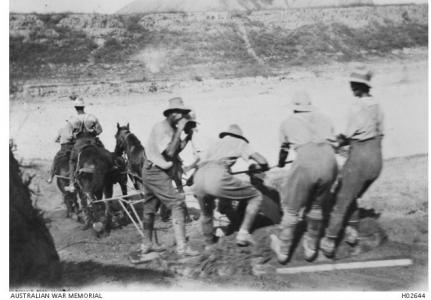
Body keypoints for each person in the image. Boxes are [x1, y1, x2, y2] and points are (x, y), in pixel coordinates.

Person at [320, 64, 384, 258]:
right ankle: (352, 231)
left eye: (351, 85)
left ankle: (329, 241)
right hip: (376, 160)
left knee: (341, 199)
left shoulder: (356, 107)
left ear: (356, 86)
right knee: (352, 195)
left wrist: (332, 141)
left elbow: (346, 136)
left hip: (360, 159)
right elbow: (378, 133)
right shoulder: (377, 105)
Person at [269, 91, 338, 264]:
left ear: (294, 108)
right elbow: (333, 141)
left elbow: (284, 149)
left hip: (306, 161)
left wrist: (281, 163)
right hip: (329, 160)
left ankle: (284, 251)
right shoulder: (325, 118)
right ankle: (311, 246)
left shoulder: (287, 122)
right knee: (316, 205)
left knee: (292, 209)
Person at [131, 97, 199, 262]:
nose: (184, 116)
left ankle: (146, 245)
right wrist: (179, 131)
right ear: (174, 114)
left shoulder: (171, 127)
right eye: (182, 113)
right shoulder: (162, 128)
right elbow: (169, 153)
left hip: (152, 171)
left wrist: (187, 136)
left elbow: (176, 149)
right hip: (156, 172)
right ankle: (182, 248)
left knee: (149, 208)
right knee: (176, 204)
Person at [192, 124, 269, 248]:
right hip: (216, 175)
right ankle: (243, 234)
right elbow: (262, 161)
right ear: (239, 136)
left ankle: (209, 244)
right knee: (256, 196)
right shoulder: (239, 142)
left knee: (206, 213)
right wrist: (264, 166)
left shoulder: (215, 143)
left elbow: (200, 163)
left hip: (200, 175)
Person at [65, 97, 104, 192]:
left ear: (75, 108)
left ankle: (71, 184)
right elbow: (100, 130)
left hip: (79, 144)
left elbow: (69, 136)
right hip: (92, 142)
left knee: (72, 161)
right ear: (83, 107)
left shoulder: (72, 119)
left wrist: (75, 135)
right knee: (103, 153)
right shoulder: (92, 117)